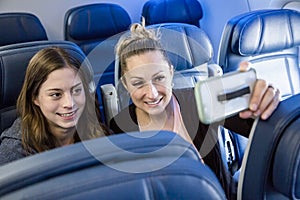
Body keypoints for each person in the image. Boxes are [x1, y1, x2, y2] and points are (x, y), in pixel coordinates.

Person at [109, 22, 281, 199]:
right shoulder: (119, 128)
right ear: (125, 85)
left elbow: (260, 128)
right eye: (138, 83)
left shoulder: (201, 99)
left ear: (170, 73)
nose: (152, 94)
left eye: (159, 78)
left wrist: (259, 102)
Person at [0, 47, 111, 165]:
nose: (70, 103)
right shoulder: (15, 153)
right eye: (56, 94)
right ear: (34, 97)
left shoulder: (94, 129)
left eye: (76, 90)